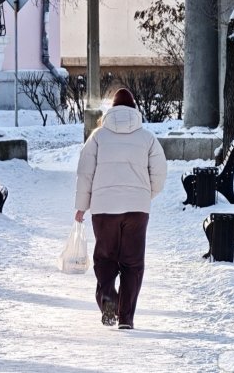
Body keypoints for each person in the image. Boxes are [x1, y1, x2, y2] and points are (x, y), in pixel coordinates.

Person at [74, 88, 168, 330]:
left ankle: (107, 296)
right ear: (134, 110)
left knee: (105, 258)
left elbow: (85, 173)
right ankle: (126, 317)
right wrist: (146, 195)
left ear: (112, 110)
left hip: (104, 209)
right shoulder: (148, 138)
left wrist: (81, 207)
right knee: (133, 263)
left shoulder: (97, 137)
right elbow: (159, 173)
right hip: (137, 210)